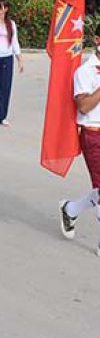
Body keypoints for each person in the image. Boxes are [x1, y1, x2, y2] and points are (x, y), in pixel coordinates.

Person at [59, 24, 100, 252]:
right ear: (97, 40)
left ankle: (71, 209)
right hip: (94, 134)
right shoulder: (85, 71)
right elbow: (83, 106)